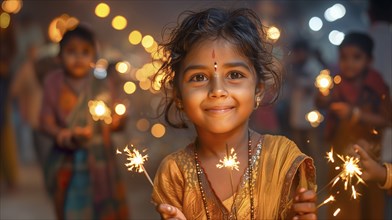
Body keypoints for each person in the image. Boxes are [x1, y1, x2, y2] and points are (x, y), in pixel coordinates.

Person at [151, 8, 317, 220]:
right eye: (199, 77)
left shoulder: (282, 159)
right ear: (178, 96)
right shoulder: (174, 172)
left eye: (235, 75)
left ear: (258, 90)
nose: (218, 91)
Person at [40, 25, 128, 220]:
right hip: (68, 160)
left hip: (101, 159)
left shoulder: (103, 84)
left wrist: (117, 120)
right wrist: (63, 134)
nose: (79, 57)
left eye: (85, 52)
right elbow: (45, 121)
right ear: (59, 56)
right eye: (71, 52)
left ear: (94, 56)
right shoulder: (53, 82)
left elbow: (114, 121)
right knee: (71, 208)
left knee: (105, 208)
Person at [316, 32, 391, 219]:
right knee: (342, 197)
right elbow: (321, 103)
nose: (349, 63)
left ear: (369, 60)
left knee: (370, 200)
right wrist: (322, 96)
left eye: (356, 57)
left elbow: (387, 119)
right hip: (341, 151)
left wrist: (355, 114)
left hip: (370, 152)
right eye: (344, 57)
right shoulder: (336, 83)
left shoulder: (377, 86)